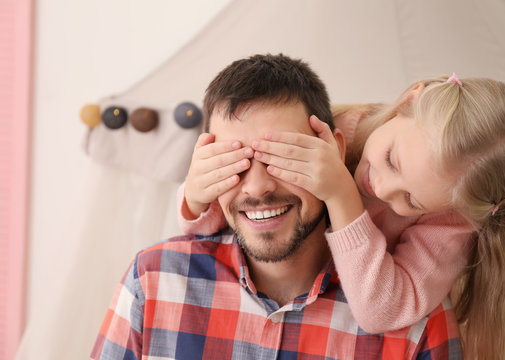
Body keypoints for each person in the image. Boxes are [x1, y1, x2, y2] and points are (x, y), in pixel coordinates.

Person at [91, 54, 463, 359]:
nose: (258, 187)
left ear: (334, 150)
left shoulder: (416, 320)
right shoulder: (153, 282)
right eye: (234, 162)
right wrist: (194, 198)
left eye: (283, 158)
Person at [177, 69, 505, 360]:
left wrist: (342, 194)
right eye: (390, 160)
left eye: (411, 201)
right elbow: (226, 221)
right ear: (408, 101)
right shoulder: (336, 131)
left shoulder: (452, 220)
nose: (381, 188)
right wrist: (194, 197)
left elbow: (381, 312)